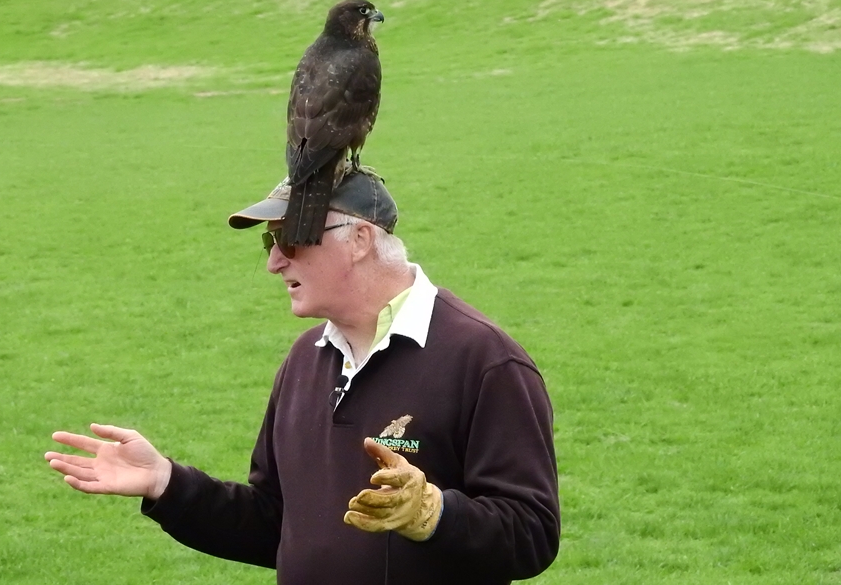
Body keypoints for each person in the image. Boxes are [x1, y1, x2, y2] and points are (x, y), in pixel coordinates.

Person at [45, 169, 560, 585]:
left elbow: (533, 534)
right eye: (271, 240)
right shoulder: (306, 359)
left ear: (359, 239)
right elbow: (277, 522)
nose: (273, 261)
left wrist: (432, 512)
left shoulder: (484, 361)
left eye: (291, 237)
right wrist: (166, 483)